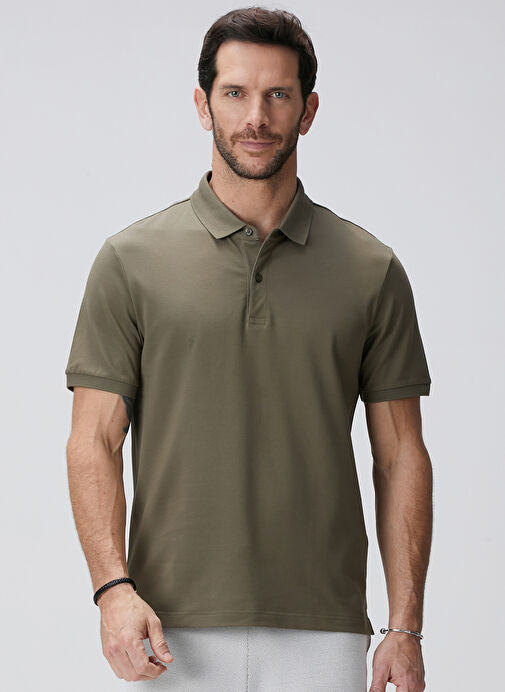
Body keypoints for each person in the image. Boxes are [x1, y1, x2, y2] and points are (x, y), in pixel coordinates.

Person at [64, 7, 432, 691]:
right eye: (234, 93)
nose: (255, 117)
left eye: (277, 94)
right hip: (167, 628)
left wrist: (404, 626)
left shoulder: (369, 269)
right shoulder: (130, 262)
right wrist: (112, 591)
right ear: (202, 105)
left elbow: (400, 454)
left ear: (308, 111)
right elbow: (93, 440)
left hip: (324, 629)